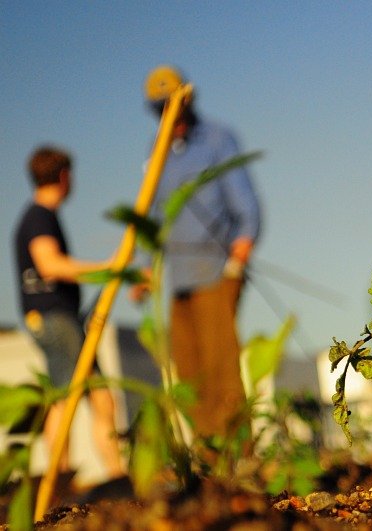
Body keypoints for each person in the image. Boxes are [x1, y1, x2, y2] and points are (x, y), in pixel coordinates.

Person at [136, 65, 262, 439]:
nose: (167, 115)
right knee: (189, 375)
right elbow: (152, 214)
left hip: (215, 273)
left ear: (187, 100)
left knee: (221, 370)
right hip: (178, 281)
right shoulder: (155, 151)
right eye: (159, 109)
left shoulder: (218, 139)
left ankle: (237, 460)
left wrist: (241, 251)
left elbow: (245, 202)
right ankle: (208, 466)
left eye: (172, 106)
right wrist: (145, 268)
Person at [13, 146, 125, 478]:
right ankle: (59, 482)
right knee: (66, 398)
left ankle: (116, 476)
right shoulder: (39, 217)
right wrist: (105, 270)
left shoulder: (39, 217)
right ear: (63, 177)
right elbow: (49, 264)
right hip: (55, 320)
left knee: (100, 398)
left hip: (59, 320)